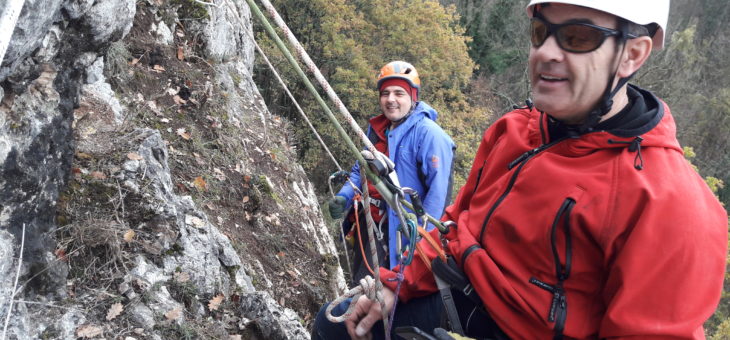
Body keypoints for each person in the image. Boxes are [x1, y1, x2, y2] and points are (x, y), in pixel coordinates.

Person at [313, 1, 728, 339]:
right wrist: (394, 285)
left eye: (577, 36)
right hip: (458, 295)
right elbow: (455, 227)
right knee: (335, 329)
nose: (546, 51)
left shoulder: (672, 206)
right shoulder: (513, 132)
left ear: (632, 54)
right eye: (540, 32)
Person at [327, 60, 456, 285]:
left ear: (412, 96)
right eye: (385, 93)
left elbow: (438, 194)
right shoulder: (379, 129)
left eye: (399, 93)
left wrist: (421, 240)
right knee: (361, 290)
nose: (390, 100)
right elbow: (361, 169)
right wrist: (344, 195)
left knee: (380, 298)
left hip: (401, 234)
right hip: (370, 227)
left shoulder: (429, 135)